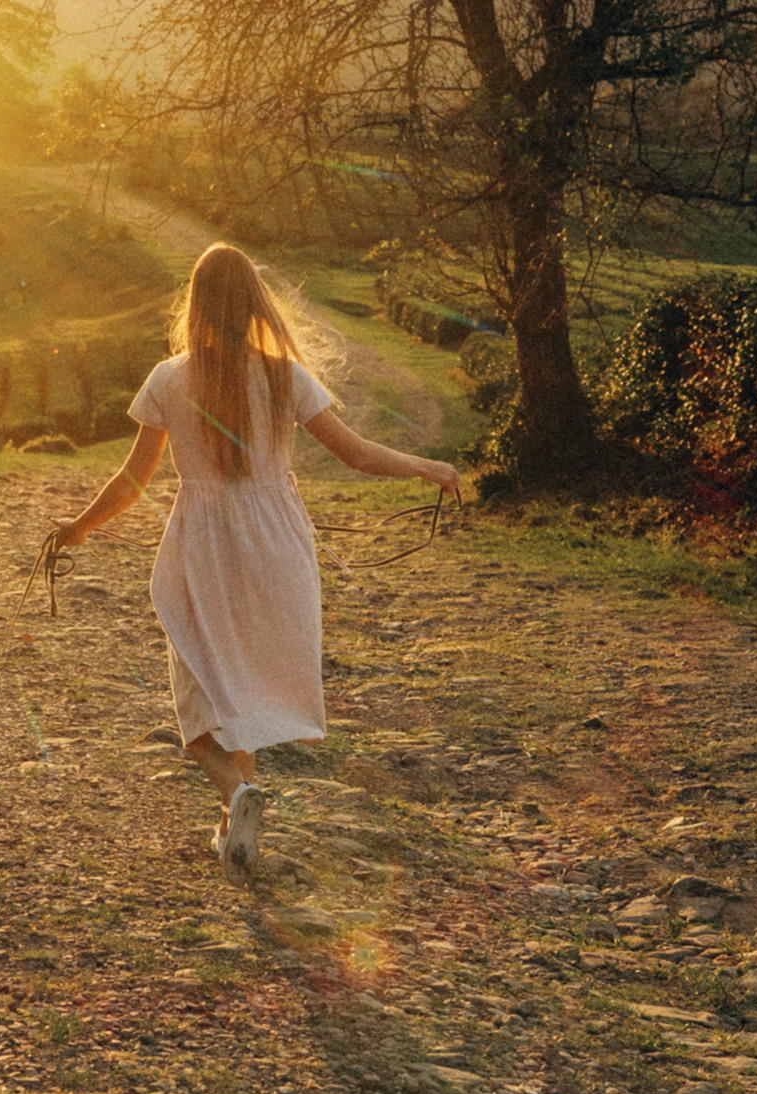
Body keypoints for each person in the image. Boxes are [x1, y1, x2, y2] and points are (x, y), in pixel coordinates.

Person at [52, 243, 459, 885]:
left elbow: (134, 480)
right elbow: (355, 455)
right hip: (277, 548)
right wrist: (428, 467)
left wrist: (78, 528)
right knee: (239, 688)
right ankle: (231, 826)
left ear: (196, 303)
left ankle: (236, 796)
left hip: (203, 548)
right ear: (256, 303)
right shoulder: (284, 377)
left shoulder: (169, 377)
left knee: (196, 704)